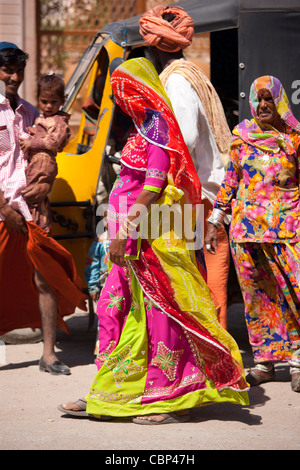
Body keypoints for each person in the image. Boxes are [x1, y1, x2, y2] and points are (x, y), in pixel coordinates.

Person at [58, 57, 248, 424]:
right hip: (125, 234)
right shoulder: (140, 127)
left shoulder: (159, 125)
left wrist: (125, 231)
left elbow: (154, 185)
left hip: (148, 235)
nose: (119, 98)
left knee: (160, 315)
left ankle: (167, 397)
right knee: (116, 311)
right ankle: (109, 389)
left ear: (140, 88)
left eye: (122, 89)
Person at [205, 75, 300, 392]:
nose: (262, 106)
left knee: (293, 296)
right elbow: (230, 181)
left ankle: (298, 362)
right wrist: (216, 217)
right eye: (258, 100)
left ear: (280, 103)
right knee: (257, 298)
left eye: (268, 99)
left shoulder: (295, 140)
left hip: (288, 231)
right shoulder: (241, 138)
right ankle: (265, 364)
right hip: (245, 232)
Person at [139, 5, 232, 330]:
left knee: (208, 282)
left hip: (203, 197)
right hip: (204, 192)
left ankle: (220, 358)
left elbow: (185, 136)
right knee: (200, 279)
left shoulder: (177, 81)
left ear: (153, 47)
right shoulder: (188, 73)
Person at [0, 42, 87, 375]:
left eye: (19, 70)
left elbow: (47, 158)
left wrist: (47, 185)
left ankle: (48, 354)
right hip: (3, 207)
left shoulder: (33, 112)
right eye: (8, 70)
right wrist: (4, 206)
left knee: (45, 278)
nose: (14, 76)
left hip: (33, 208)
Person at [19, 73, 71, 233]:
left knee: (32, 195)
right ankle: (40, 224)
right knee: (35, 196)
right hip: (37, 161)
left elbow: (53, 141)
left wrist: (31, 142)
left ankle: (40, 227)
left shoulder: (58, 121)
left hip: (44, 162)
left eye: (53, 102)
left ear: (62, 101)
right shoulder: (41, 117)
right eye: (44, 101)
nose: (48, 106)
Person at [85, 225, 110, 354]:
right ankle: (103, 351)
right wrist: (93, 286)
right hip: (105, 286)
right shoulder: (101, 239)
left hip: (125, 286)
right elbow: (93, 264)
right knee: (105, 318)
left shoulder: (129, 237)